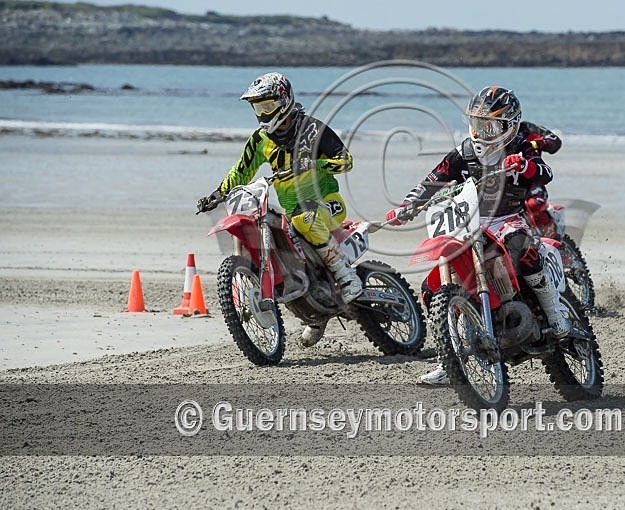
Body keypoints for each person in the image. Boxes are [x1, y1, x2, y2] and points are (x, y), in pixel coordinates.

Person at [385, 86, 571, 386]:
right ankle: (450, 358)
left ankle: (554, 312)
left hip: (509, 218)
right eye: (477, 123)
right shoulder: (465, 151)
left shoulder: (520, 145)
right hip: (469, 220)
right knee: (433, 287)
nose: (482, 131)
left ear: (509, 124)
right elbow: (434, 178)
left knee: (523, 251)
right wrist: (408, 205)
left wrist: (523, 166)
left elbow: (545, 173)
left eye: (490, 125)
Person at [197, 72, 360, 347]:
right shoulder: (261, 140)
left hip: (327, 203)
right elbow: (241, 171)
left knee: (305, 218)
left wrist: (315, 164)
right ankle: (312, 312)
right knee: (279, 234)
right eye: (258, 107)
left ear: (284, 100)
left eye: (268, 106)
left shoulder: (312, 130)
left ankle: (346, 275)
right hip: (292, 210)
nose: (263, 113)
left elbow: (345, 161)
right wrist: (217, 194)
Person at [518, 120, 563, 239]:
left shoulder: (526, 128)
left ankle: (557, 243)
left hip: (533, 183)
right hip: (504, 185)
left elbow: (555, 141)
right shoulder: (489, 136)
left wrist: (538, 143)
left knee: (534, 204)